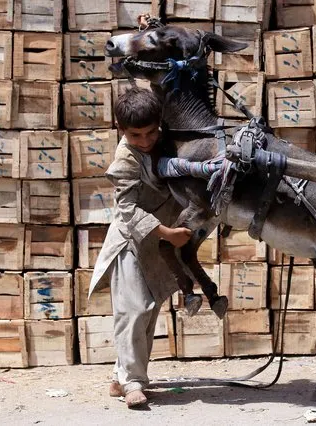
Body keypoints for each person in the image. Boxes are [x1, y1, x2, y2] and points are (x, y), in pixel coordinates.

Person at [88, 87, 194, 408]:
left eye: (151, 132)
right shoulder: (125, 159)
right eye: (136, 135)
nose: (146, 141)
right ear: (121, 129)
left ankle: (122, 374)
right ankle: (133, 381)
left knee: (147, 311)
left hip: (156, 245)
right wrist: (167, 233)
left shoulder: (162, 141)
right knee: (132, 309)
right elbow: (127, 210)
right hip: (131, 242)